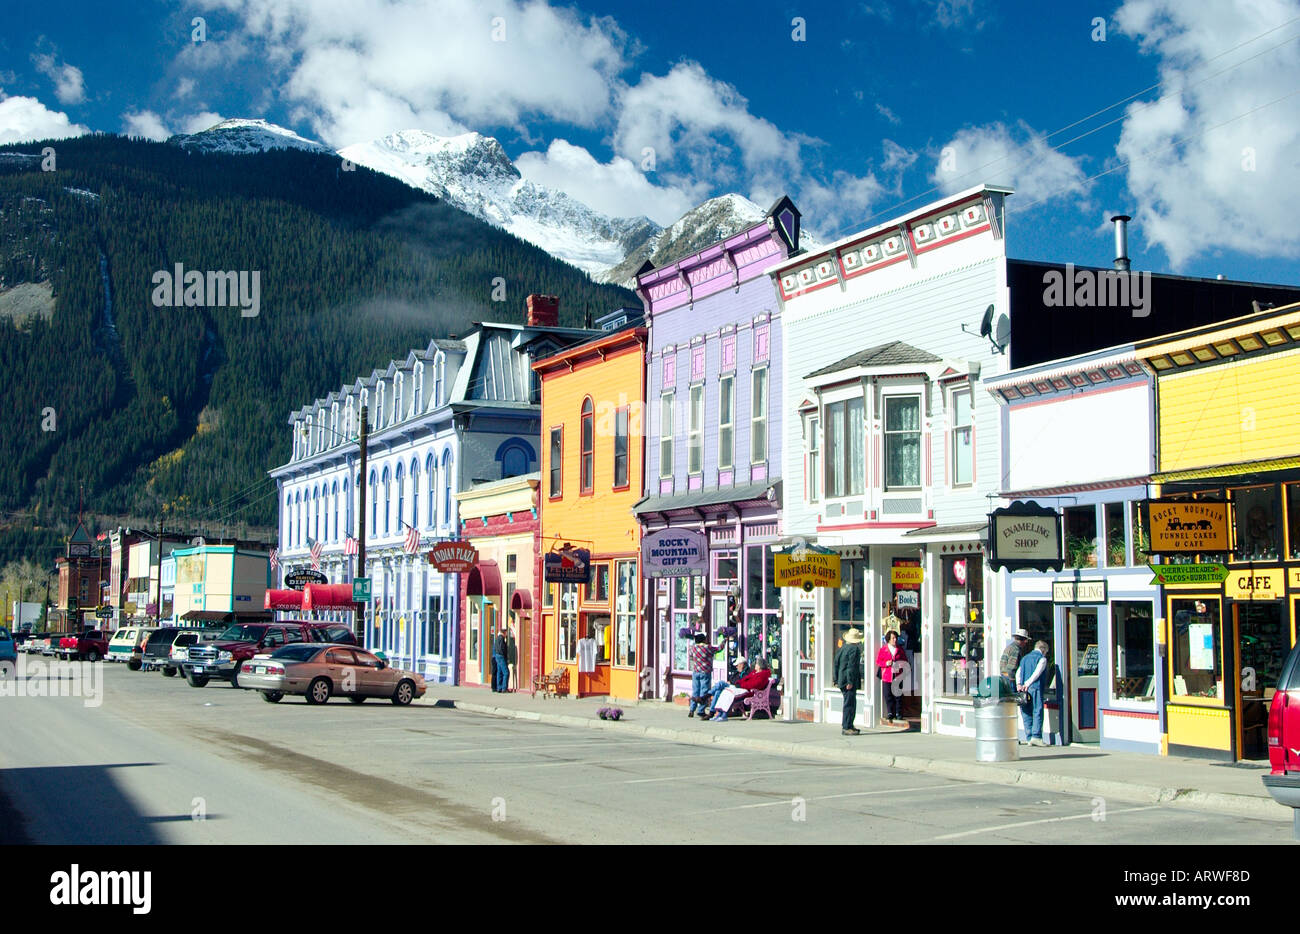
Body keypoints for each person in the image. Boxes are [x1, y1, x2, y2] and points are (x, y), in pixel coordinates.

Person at [705, 657, 771, 722]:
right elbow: (744, 680)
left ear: (760, 666)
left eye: (756, 664)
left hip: (749, 691)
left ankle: (724, 714)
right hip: (742, 688)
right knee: (724, 691)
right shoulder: (754, 673)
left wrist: (740, 685)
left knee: (729, 693)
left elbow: (753, 684)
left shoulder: (762, 675)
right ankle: (719, 713)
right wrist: (739, 683)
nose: (755, 665)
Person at [1017, 639, 1050, 746]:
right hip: (1034, 687)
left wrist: (1019, 684)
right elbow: (1037, 673)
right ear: (1043, 650)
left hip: (1022, 689)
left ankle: (1029, 736)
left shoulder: (1025, 658)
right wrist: (1028, 683)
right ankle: (1036, 736)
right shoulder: (1042, 659)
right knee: (1037, 710)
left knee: (1026, 711)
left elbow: (1018, 672)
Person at [834, 628, 865, 735]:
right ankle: (847, 726)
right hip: (848, 681)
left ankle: (848, 725)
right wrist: (850, 681)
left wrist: (836, 679)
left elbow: (836, 663)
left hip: (842, 679)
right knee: (850, 704)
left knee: (849, 703)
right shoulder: (854, 650)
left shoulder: (843, 648)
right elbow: (851, 667)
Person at [876, 629, 907, 723]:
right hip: (887, 675)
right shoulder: (884, 649)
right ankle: (890, 712)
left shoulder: (900, 649)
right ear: (888, 639)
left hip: (898, 675)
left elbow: (905, 661)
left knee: (898, 694)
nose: (895, 640)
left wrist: (900, 664)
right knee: (888, 694)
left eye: (896, 638)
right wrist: (886, 663)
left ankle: (898, 713)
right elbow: (878, 662)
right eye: (893, 638)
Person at [687, 632, 721, 718]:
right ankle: (701, 710)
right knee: (704, 691)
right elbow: (718, 649)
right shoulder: (707, 648)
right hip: (705, 672)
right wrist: (724, 641)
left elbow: (691, 657)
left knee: (695, 691)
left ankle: (691, 709)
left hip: (696, 671)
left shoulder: (692, 648)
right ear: (703, 640)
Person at [999, 627, 1030, 691]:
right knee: (1012, 699)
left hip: (1004, 675)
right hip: (1010, 679)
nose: (1026, 642)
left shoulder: (1010, 647)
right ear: (1022, 640)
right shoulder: (1016, 650)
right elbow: (1012, 667)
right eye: (1026, 640)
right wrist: (1016, 681)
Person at [491, 627, 509, 693]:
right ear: (504, 633)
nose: (506, 634)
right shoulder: (501, 639)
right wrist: (504, 656)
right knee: (506, 672)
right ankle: (504, 688)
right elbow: (502, 648)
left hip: (497, 656)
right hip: (501, 656)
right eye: (506, 633)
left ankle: (499, 687)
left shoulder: (497, 638)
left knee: (499, 672)